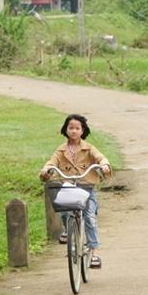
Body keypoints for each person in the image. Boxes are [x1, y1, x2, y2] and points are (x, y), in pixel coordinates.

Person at [39, 113, 111, 268]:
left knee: (89, 216)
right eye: (70, 128)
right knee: (65, 211)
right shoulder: (61, 150)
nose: (73, 131)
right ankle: (67, 229)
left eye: (77, 128)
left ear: (82, 130)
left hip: (86, 189)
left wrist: (104, 164)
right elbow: (52, 162)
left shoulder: (89, 148)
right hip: (68, 188)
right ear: (65, 129)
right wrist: (46, 170)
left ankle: (94, 253)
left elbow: (100, 157)